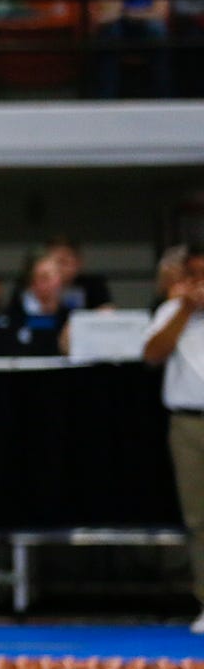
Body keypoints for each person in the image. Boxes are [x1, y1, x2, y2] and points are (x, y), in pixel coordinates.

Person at [141, 244, 204, 632]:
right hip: (188, 423)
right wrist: (184, 309)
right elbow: (152, 355)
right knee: (199, 518)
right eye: (195, 275)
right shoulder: (171, 311)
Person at [6, 253, 73, 354]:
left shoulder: (70, 317)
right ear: (32, 283)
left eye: (56, 276)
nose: (54, 282)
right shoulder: (13, 318)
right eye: (44, 277)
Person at [44, 235, 114, 309]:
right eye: (52, 262)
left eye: (63, 262)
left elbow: (107, 311)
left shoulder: (94, 285)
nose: (57, 268)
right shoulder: (40, 285)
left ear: (78, 262)